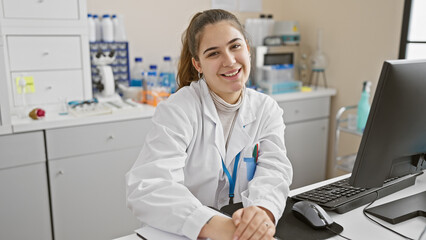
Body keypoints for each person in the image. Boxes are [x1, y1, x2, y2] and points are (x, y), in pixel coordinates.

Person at [126, 9, 293, 240]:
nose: (230, 61)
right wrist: (217, 226)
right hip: (186, 232)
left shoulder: (266, 109)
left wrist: (262, 211)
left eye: (235, 46)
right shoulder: (178, 109)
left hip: (242, 229)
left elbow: (275, 170)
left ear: (247, 48)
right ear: (198, 64)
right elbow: (149, 187)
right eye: (214, 53)